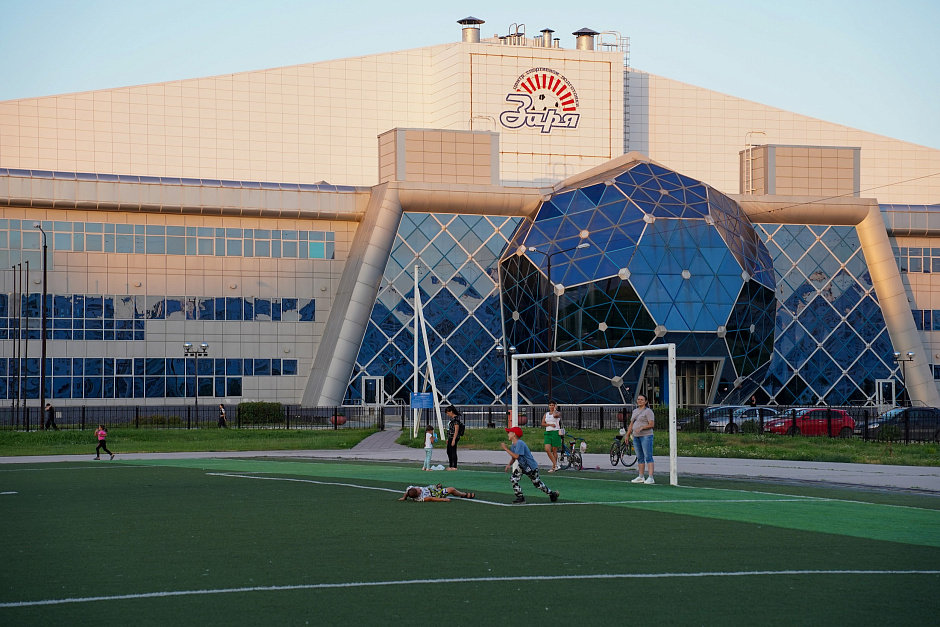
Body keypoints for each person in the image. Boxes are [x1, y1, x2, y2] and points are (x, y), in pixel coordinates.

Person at [500, 426, 559, 504]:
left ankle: (552, 494)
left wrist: (506, 449)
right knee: (513, 479)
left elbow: (516, 456)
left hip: (530, 466)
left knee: (537, 483)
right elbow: (514, 458)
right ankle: (520, 497)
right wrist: (509, 464)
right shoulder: (513, 445)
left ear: (514, 434)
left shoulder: (520, 443)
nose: (508, 434)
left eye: (509, 432)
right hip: (522, 466)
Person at [626, 394, 655, 484]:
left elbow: (651, 424)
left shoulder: (648, 411)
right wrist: (627, 435)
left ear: (645, 401)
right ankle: (641, 476)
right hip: (636, 436)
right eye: (638, 399)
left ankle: (650, 477)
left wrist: (642, 427)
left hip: (646, 436)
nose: (640, 401)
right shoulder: (635, 411)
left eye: (642, 399)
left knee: (648, 456)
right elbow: (631, 424)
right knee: (639, 457)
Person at [542, 401, 562, 471]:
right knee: (547, 449)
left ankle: (554, 467)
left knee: (554, 450)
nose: (551, 406)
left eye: (552, 405)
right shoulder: (546, 414)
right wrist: (549, 425)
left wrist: (555, 410)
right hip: (548, 432)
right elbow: (543, 423)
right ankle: (555, 465)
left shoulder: (558, 413)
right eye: (550, 405)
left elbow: (555, 416)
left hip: (555, 432)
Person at [398, 484, 475, 502]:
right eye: (419, 492)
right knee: (451, 489)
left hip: (430, 488)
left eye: (418, 489)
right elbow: (432, 499)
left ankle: (437, 487)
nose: (420, 489)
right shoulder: (421, 498)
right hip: (436, 494)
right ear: (418, 495)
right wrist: (443, 499)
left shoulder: (410, 488)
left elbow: (406, 492)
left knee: (436, 485)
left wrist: (404, 498)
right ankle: (464, 494)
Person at [444, 406, 462, 470]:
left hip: (453, 437)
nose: (447, 414)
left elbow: (456, 430)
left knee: (453, 451)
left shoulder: (456, 419)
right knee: (449, 451)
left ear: (451, 412)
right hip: (450, 437)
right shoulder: (452, 419)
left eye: (448, 413)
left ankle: (454, 466)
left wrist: (454, 439)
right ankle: (451, 465)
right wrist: (448, 438)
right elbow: (450, 429)